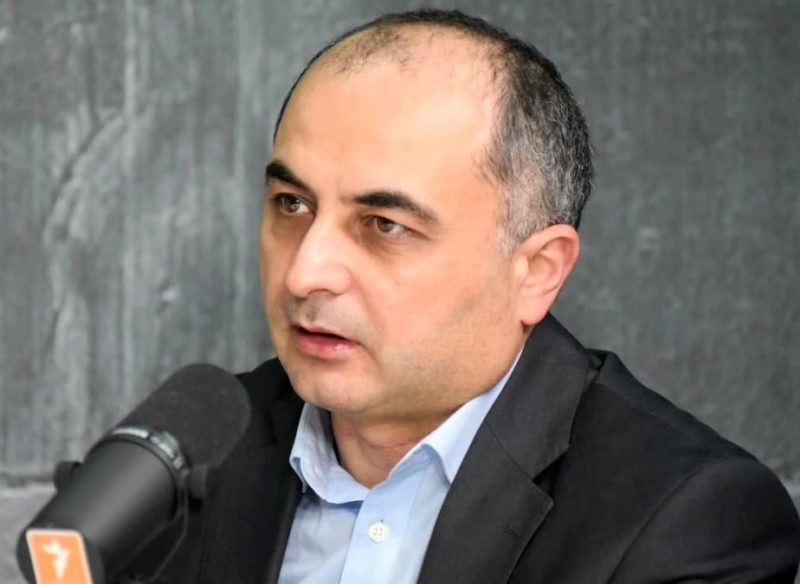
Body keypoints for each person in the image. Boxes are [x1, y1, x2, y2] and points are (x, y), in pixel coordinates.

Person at [131, 9, 800, 584]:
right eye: (291, 204)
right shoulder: (175, 455)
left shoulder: (682, 519)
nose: (305, 273)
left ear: (536, 271)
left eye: (384, 225)